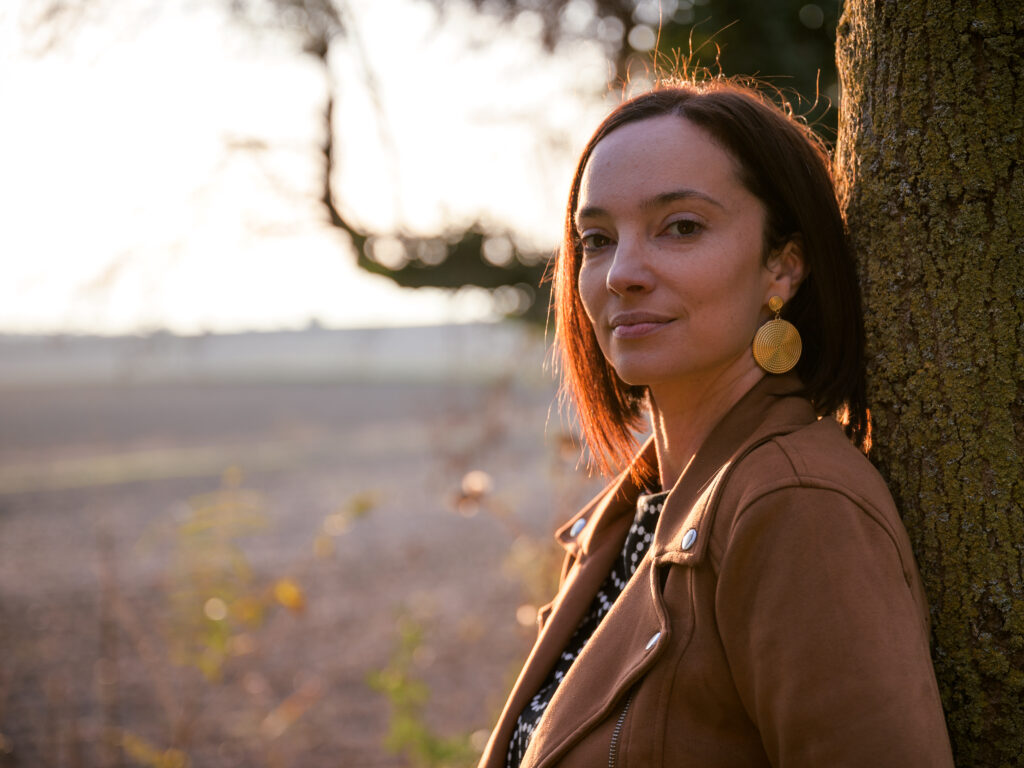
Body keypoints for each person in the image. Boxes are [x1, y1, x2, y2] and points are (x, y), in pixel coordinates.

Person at [477, 81, 955, 768]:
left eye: (681, 227)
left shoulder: (795, 505)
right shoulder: (629, 517)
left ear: (783, 267)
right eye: (597, 238)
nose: (621, 273)